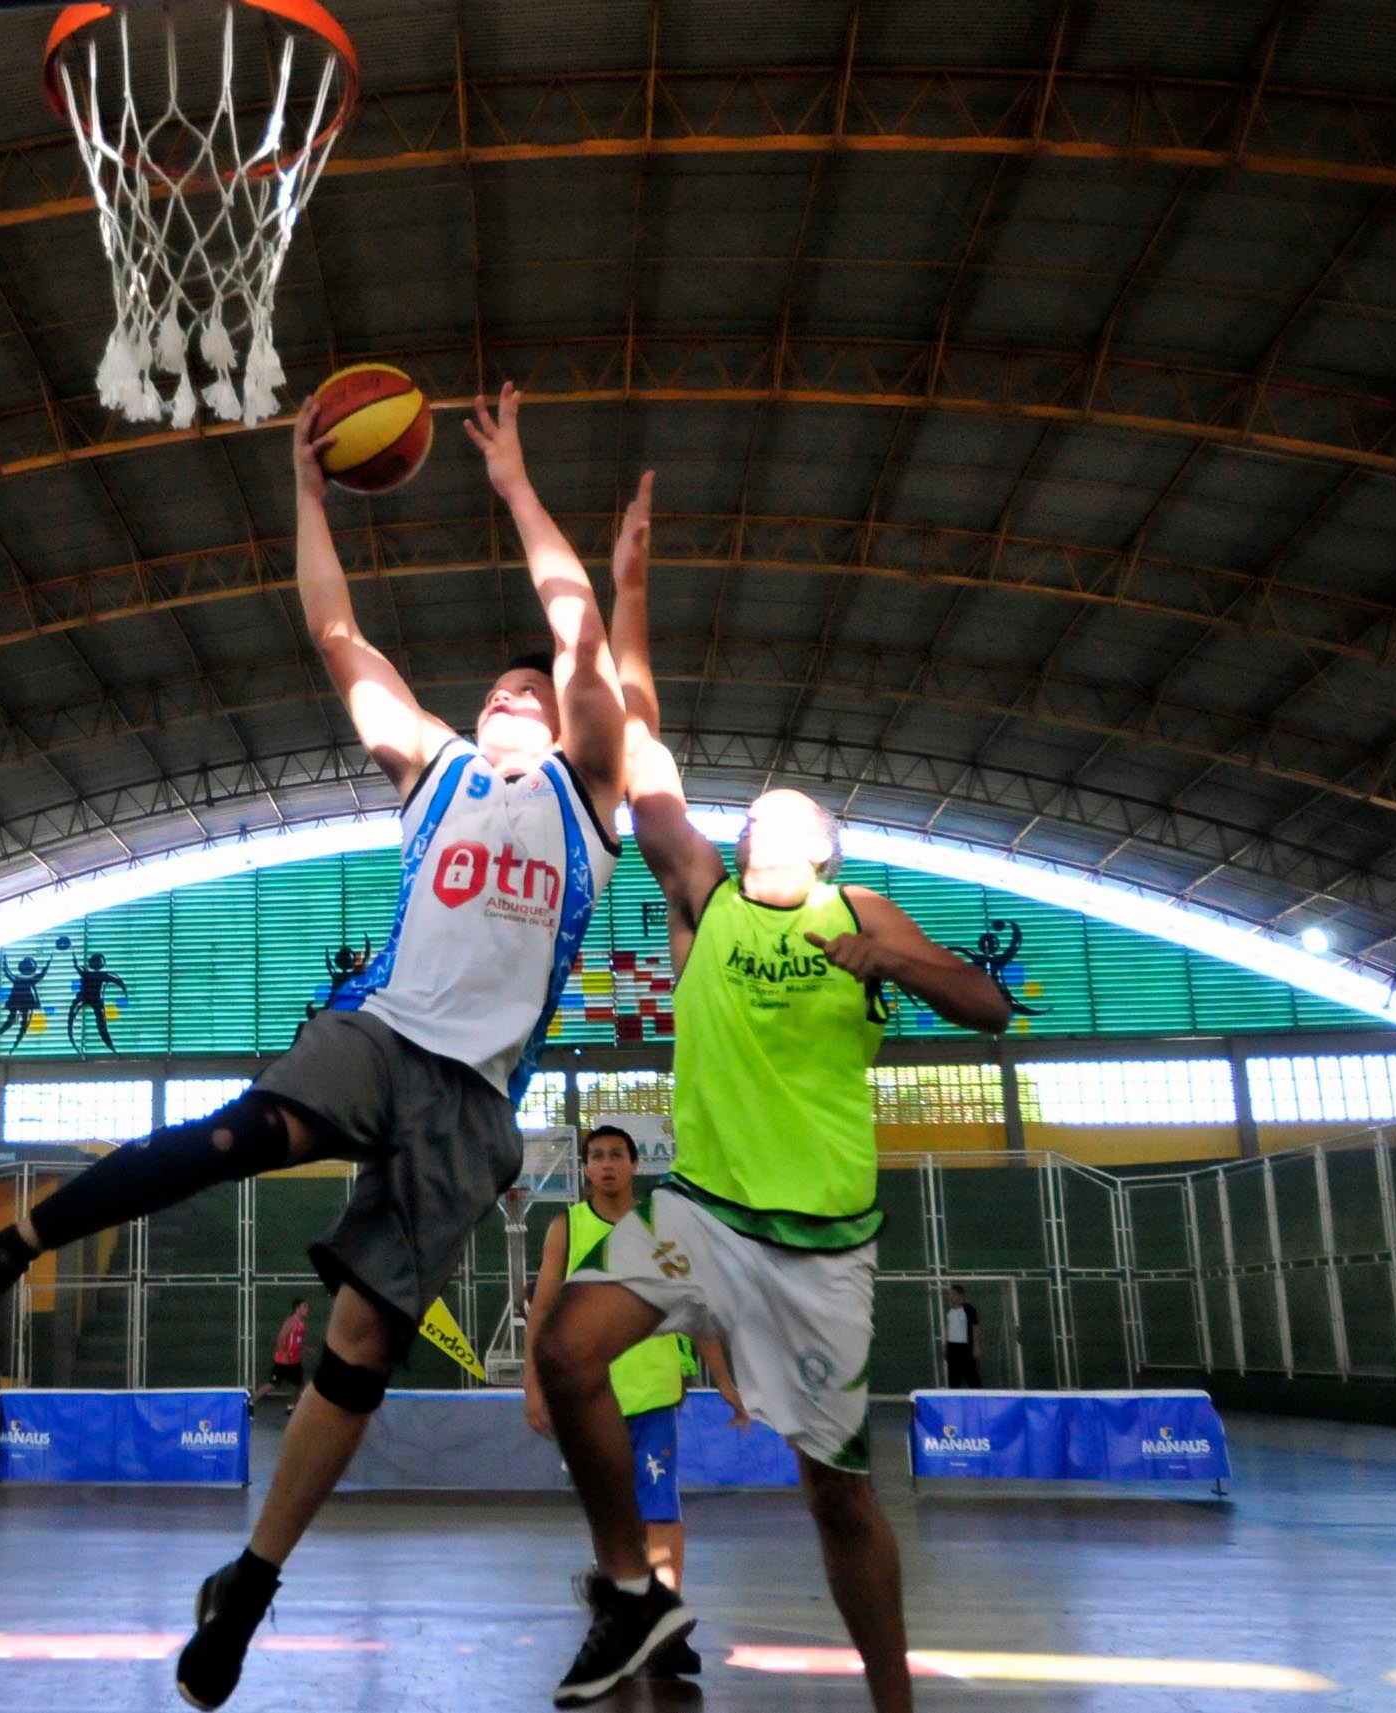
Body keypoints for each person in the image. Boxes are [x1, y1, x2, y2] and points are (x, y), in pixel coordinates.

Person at [0, 381, 628, 1711]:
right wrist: (305, 489)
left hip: (472, 1105)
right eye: (502, 688)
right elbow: (334, 627)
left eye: (533, 686)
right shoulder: (438, 770)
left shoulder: (588, 801)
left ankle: (247, 1582)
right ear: (478, 719)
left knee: (359, 1344)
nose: (521, 690)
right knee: (230, 1137)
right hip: (380, 1032)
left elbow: (578, 632)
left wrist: (516, 485)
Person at [532, 475, 1013, 1710]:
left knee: (835, 1491)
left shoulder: (864, 913)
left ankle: (892, 1698)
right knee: (566, 1355)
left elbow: (987, 1006)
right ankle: (631, 1593)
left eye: (794, 815)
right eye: (758, 814)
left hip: (819, 1249)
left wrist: (897, 961)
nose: (769, 818)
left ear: (829, 846)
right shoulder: (706, 898)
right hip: (701, 1216)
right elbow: (640, 755)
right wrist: (631, 591)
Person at [524, 1123, 746, 1677]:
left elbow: (695, 1308)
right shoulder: (567, 1228)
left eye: (615, 1155)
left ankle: (665, 1628)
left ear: (633, 1165)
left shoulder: (660, 1229)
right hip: (589, 1400)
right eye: (595, 1156)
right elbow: (544, 1313)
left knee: (662, 1511)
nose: (605, 1164)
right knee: (613, 1517)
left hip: (653, 1395)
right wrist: (534, 1387)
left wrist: (723, 1378)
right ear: (585, 1169)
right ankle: (627, 1620)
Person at [249, 1297, 308, 1413]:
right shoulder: (291, 1322)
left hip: (295, 1361)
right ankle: (250, 1402)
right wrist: (283, 1354)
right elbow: (280, 1337)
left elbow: (297, 1341)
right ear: (297, 1309)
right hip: (283, 1361)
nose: (307, 1309)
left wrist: (306, 1349)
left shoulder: (301, 1324)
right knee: (273, 1384)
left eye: (307, 1307)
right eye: (304, 1307)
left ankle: (290, 1407)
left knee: (299, 1385)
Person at [943, 1284, 983, 1388]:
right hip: (953, 1348)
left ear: (961, 1295)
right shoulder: (950, 1311)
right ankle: (955, 1399)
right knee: (953, 1377)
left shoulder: (969, 1309)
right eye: (949, 1294)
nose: (950, 1297)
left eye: (953, 1294)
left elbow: (975, 1327)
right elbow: (948, 1328)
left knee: (971, 1376)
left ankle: (978, 1398)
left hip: (966, 1348)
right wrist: (946, 1346)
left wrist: (976, 1346)